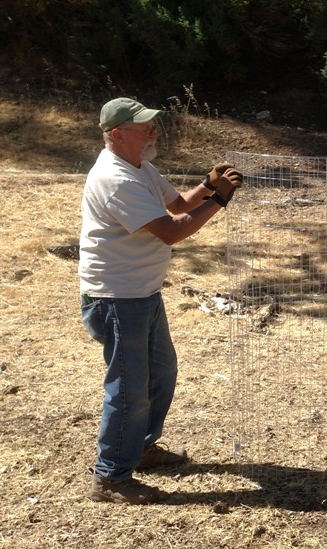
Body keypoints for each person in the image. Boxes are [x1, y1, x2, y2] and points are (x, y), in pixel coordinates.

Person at [79, 97, 243, 504]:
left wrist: (207, 185)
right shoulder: (114, 177)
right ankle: (111, 477)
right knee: (130, 388)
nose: (153, 132)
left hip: (141, 293)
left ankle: (140, 448)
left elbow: (177, 205)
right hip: (117, 299)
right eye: (144, 127)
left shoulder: (139, 166)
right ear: (117, 134)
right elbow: (171, 231)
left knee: (160, 373)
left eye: (152, 125)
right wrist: (219, 201)